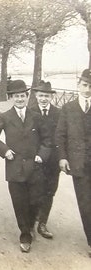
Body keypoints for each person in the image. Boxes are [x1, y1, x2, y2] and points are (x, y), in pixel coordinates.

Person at [0, 80, 51, 253]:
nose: (20, 99)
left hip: (35, 166)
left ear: (27, 97)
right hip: (14, 167)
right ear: (11, 98)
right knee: (19, 203)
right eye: (16, 96)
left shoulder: (36, 116)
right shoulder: (5, 117)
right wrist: (5, 150)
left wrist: (41, 156)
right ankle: (25, 234)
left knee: (35, 200)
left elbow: (47, 140)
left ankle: (30, 225)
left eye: (22, 96)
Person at [55, 68, 91, 257]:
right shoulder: (68, 108)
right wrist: (62, 157)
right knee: (85, 203)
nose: (87, 90)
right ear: (78, 85)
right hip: (79, 165)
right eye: (85, 85)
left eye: (90, 86)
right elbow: (60, 135)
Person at [30, 80, 61, 239]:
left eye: (47, 96)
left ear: (51, 97)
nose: (43, 99)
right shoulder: (29, 111)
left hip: (53, 161)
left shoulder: (58, 113)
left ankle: (42, 223)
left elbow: (62, 137)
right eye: (41, 95)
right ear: (36, 95)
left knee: (49, 192)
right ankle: (30, 224)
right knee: (34, 192)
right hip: (35, 160)